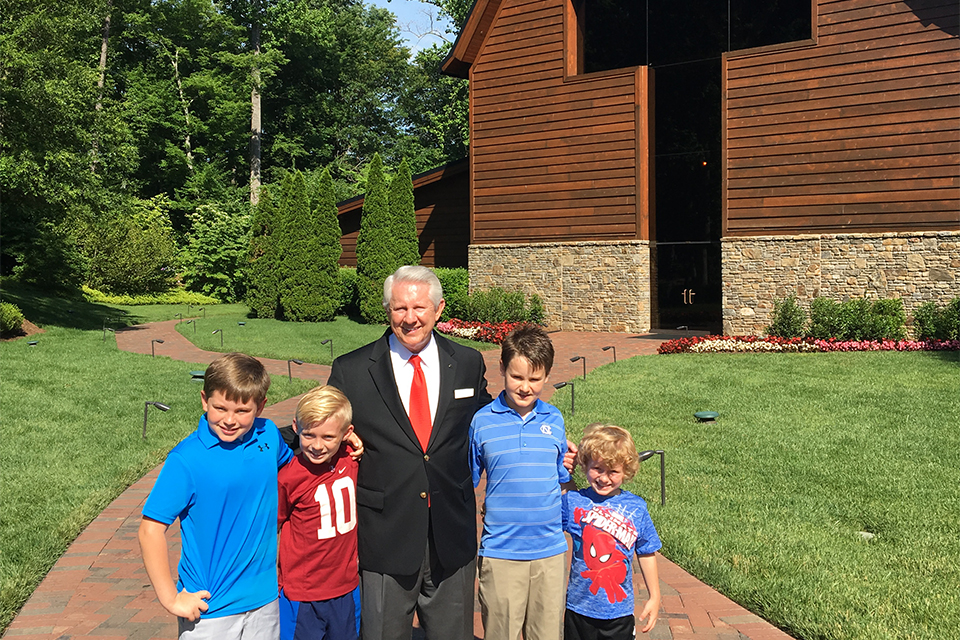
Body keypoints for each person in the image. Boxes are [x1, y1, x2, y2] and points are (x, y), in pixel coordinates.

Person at [327, 265, 492, 640]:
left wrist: (537, 434)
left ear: (439, 309)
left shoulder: (467, 362)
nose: (410, 318)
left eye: (419, 308)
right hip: (385, 534)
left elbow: (490, 417)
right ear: (388, 311)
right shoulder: (352, 370)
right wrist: (258, 433)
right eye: (400, 308)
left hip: (451, 531)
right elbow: (319, 422)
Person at [139, 352, 293, 639]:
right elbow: (150, 531)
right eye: (220, 408)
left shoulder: (269, 436)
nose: (229, 420)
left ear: (261, 407)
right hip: (211, 611)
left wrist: (344, 442)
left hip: (265, 601)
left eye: (242, 411)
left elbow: (295, 469)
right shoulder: (186, 459)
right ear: (204, 400)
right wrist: (170, 599)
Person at [469, 324, 570, 640]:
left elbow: (561, 480)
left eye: (535, 379)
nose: (525, 387)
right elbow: (467, 482)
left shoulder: (554, 420)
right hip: (501, 554)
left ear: (547, 376)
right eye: (517, 377)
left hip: (549, 553)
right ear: (502, 368)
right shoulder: (482, 422)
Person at [563, 424, 662, 640]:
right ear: (585, 464)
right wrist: (563, 469)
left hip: (619, 613)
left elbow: (646, 551)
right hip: (579, 609)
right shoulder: (574, 501)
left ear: (626, 472)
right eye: (597, 468)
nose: (604, 478)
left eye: (613, 471)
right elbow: (557, 492)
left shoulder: (636, 507)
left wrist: (654, 595)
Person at [277, 385, 360, 640]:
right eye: (309, 435)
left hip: (347, 588)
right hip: (302, 593)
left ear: (346, 434)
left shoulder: (350, 457)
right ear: (296, 428)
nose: (317, 446)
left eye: (328, 437)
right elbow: (271, 526)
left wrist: (353, 442)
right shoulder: (289, 477)